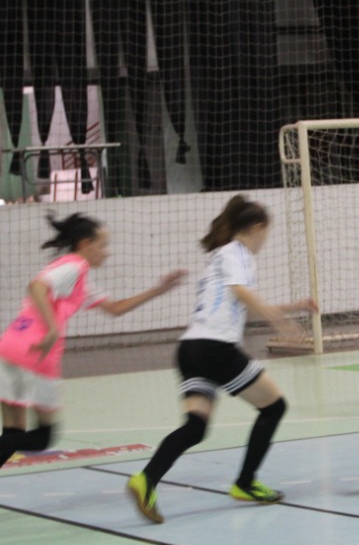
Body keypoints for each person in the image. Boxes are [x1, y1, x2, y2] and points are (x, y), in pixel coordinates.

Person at [0, 212, 185, 521]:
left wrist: (158, 290)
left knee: (13, 435)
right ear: (85, 244)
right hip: (36, 354)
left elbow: (114, 309)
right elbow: (36, 287)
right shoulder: (75, 266)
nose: (107, 251)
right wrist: (50, 329)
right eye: (103, 245)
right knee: (44, 437)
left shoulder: (76, 276)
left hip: (9, 348)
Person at [125, 195, 318, 524]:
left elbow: (236, 303)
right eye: (265, 234)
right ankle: (245, 483)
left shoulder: (221, 256)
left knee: (196, 427)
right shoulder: (236, 252)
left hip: (190, 349)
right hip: (215, 348)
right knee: (274, 406)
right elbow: (242, 294)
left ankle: (146, 480)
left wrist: (290, 307)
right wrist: (279, 322)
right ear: (256, 228)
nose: (264, 242)